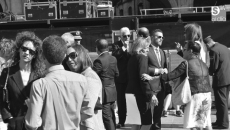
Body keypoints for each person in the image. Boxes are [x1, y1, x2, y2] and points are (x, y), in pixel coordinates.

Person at [25, 35, 93, 130]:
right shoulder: (81, 80)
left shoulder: (39, 85)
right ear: (65, 55)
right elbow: (88, 112)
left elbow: (32, 124)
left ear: (43, 56)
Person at [160, 41, 213, 130]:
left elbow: (171, 75)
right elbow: (190, 60)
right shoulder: (203, 63)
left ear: (191, 51)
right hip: (207, 96)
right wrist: (181, 51)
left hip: (195, 97)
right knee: (204, 123)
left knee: (193, 125)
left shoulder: (186, 64)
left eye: (184, 49)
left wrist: (155, 77)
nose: (183, 51)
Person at [0, 31, 44, 130]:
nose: (27, 53)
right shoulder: (7, 72)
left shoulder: (39, 75)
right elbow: (1, 99)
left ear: (35, 55)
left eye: (31, 51)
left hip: (35, 123)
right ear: (19, 50)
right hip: (15, 124)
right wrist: (9, 118)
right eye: (24, 49)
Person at [65, 44, 105, 130]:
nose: (69, 59)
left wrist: (66, 120)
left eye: (72, 56)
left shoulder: (89, 77)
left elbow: (87, 110)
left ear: (81, 56)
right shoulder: (80, 76)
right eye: (66, 57)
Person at [126, 36, 155, 130]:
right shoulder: (142, 58)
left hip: (130, 92)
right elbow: (143, 77)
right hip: (140, 94)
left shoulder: (132, 58)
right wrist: (150, 95)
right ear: (142, 48)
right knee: (147, 123)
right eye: (147, 47)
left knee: (135, 123)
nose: (148, 50)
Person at [204, 36, 230, 129]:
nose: (207, 49)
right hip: (227, 78)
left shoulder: (213, 50)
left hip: (220, 80)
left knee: (221, 102)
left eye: (206, 47)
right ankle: (220, 121)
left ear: (207, 44)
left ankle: (223, 124)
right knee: (224, 101)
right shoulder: (224, 47)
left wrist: (207, 72)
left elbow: (214, 66)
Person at [93, 39, 119, 130]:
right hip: (112, 90)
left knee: (106, 117)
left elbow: (93, 76)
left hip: (104, 92)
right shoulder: (113, 58)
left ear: (97, 49)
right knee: (112, 115)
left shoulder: (98, 61)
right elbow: (117, 74)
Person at [148, 29, 168, 130]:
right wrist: (158, 71)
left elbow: (165, 68)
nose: (161, 39)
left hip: (161, 86)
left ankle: (157, 128)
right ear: (152, 37)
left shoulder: (162, 52)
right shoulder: (147, 50)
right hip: (151, 86)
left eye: (162, 37)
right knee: (149, 113)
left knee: (158, 112)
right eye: (158, 37)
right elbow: (144, 68)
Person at [111, 27, 131, 128]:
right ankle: (121, 121)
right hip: (121, 77)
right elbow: (114, 56)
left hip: (131, 77)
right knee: (121, 100)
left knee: (132, 99)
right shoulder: (116, 45)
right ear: (120, 36)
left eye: (129, 35)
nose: (127, 37)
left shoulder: (132, 44)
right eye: (125, 36)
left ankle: (134, 120)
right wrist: (123, 48)